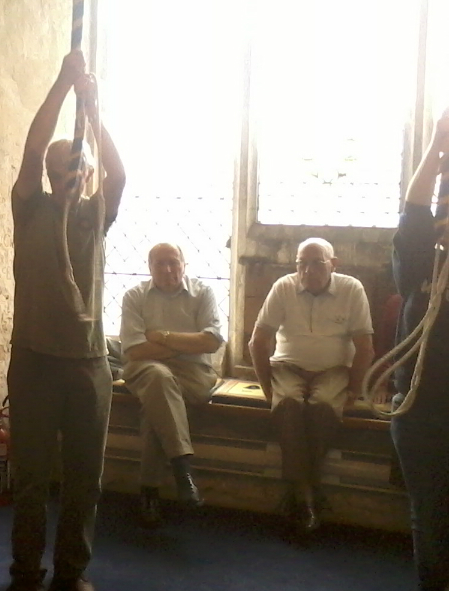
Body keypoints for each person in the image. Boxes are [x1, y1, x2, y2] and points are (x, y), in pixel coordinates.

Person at [7, 50, 126, 591]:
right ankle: (27, 571)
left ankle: (72, 572)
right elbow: (33, 149)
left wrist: (93, 110)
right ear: (51, 175)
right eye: (63, 166)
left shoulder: (95, 215)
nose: (72, 172)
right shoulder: (30, 207)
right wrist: (61, 84)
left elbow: (120, 172)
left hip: (88, 365)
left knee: (85, 480)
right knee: (30, 479)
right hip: (34, 361)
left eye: (78, 165)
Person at [248, 237, 373, 534]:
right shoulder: (284, 287)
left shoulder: (351, 288)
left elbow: (365, 347)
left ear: (333, 263)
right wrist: (267, 387)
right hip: (287, 367)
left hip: (333, 370)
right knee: (287, 404)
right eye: (301, 263)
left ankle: (298, 491)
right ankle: (309, 495)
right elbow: (258, 342)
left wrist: (354, 390)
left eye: (317, 262)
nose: (308, 271)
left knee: (325, 407)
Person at [119, 242, 223, 528]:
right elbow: (134, 351)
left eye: (173, 262)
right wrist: (186, 343)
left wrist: (162, 337)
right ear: (149, 267)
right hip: (145, 369)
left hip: (194, 373)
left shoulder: (202, 293)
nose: (167, 269)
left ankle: (149, 490)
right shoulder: (134, 297)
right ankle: (182, 472)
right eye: (160, 263)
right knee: (159, 378)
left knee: (158, 404)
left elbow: (212, 341)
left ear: (184, 264)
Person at [389, 110, 449, 591]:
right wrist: (436, 145)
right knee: (428, 514)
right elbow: (414, 209)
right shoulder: (419, 265)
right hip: (418, 408)